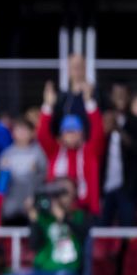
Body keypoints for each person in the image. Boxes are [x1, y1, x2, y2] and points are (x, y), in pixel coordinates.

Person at [38, 81, 105, 215]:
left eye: (75, 131)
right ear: (62, 135)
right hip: (57, 210)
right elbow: (42, 135)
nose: (71, 135)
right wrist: (48, 106)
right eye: (68, 132)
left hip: (85, 211)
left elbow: (98, 132)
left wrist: (89, 102)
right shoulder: (55, 151)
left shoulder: (89, 152)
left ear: (82, 134)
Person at [0, 118, 47, 226]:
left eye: (25, 130)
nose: (21, 133)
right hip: (11, 204)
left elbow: (43, 176)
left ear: (32, 132)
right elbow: (0, 181)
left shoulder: (39, 153)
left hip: (32, 203)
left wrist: (33, 196)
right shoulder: (7, 153)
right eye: (18, 130)